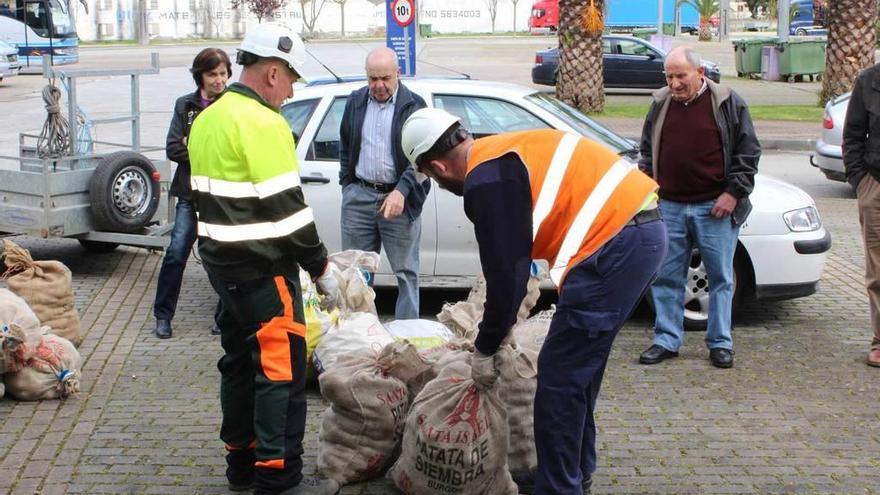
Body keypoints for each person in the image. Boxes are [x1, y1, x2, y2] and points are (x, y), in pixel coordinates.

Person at [400, 108, 668, 495]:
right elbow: (514, 266)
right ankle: (576, 476)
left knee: (558, 383)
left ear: (438, 166)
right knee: (577, 376)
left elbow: (506, 277)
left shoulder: (485, 180)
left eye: (432, 177)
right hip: (637, 235)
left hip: (617, 245)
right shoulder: (499, 153)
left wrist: (485, 346)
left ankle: (560, 487)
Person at [186, 23, 340, 495]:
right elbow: (288, 213)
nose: (291, 90)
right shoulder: (265, 123)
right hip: (261, 270)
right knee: (281, 370)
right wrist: (320, 267)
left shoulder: (208, 117)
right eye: (291, 79)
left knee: (237, 363)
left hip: (221, 267)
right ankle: (278, 477)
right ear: (272, 72)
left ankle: (241, 465)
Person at [637, 46, 760, 370]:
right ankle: (666, 340)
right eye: (669, 76)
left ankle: (720, 343)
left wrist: (733, 193)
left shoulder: (727, 102)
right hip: (671, 206)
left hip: (715, 208)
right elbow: (647, 150)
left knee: (721, 278)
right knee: (665, 277)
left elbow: (748, 153)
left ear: (700, 73)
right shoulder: (660, 103)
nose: (674, 84)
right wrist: (649, 187)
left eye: (681, 76)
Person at [338, 47, 429, 319]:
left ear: (397, 74)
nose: (379, 85)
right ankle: (360, 337)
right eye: (373, 79)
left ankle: (407, 339)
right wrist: (349, 187)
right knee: (356, 274)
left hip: (400, 202)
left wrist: (401, 191)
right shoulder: (354, 102)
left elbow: (423, 157)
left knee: (406, 274)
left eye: (385, 78)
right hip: (359, 198)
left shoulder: (414, 105)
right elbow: (345, 147)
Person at [153, 47, 230, 340]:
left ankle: (224, 317)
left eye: (223, 73)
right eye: (213, 74)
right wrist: (208, 151)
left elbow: (230, 150)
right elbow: (174, 148)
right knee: (175, 255)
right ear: (201, 76)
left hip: (220, 197)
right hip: (189, 195)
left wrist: (194, 145)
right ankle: (163, 316)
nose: (219, 80)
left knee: (223, 258)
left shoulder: (231, 105)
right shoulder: (184, 105)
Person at [843, 62, 880, 368]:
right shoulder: (869, 81)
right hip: (876, 186)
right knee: (878, 270)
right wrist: (862, 183)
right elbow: (853, 136)